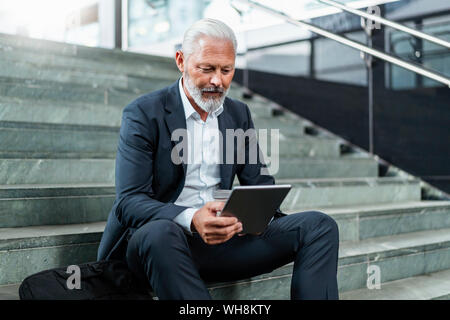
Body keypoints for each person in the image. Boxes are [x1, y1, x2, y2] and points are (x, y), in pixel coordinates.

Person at [97, 18, 339, 300]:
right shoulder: (142, 113)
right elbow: (129, 201)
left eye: (227, 70)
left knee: (319, 226)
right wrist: (192, 219)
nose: (217, 81)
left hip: (224, 243)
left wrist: (241, 217)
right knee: (160, 233)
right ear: (181, 61)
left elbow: (259, 184)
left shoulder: (238, 113)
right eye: (207, 69)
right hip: (163, 245)